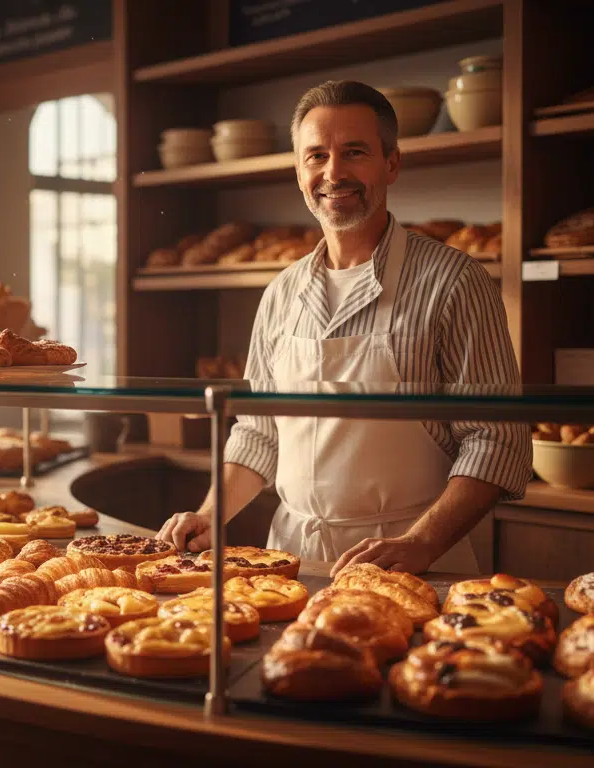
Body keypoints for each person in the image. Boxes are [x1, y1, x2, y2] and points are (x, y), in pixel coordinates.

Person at [156, 80, 531, 576]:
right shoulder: (281, 293)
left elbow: (496, 439)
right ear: (298, 171)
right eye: (316, 156)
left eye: (354, 152)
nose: (333, 172)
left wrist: (420, 543)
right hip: (289, 561)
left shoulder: (455, 282)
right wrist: (210, 516)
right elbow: (260, 432)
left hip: (410, 560)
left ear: (391, 163)